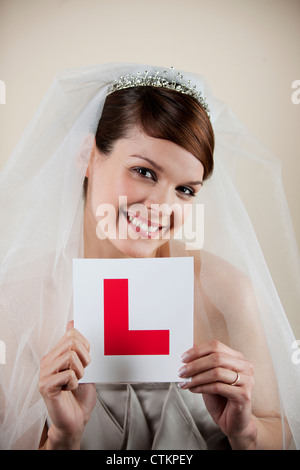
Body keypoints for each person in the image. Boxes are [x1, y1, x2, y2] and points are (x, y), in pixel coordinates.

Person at [0, 64, 299, 450]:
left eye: (186, 190)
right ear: (87, 157)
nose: (161, 206)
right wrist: (63, 437)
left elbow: (278, 431)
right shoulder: (17, 299)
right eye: (144, 171)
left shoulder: (226, 290)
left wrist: (247, 433)